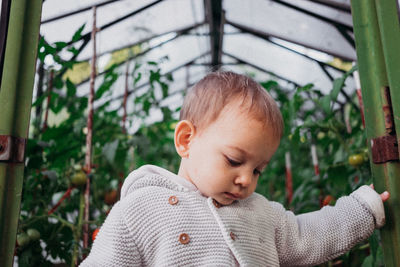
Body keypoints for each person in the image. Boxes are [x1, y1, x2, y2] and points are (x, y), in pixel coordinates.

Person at [80, 71, 389, 267]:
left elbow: (309, 236)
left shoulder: (260, 213)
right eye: (233, 160)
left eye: (258, 170)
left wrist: (361, 209)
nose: (245, 180)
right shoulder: (141, 211)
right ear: (186, 140)